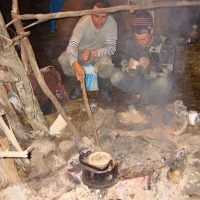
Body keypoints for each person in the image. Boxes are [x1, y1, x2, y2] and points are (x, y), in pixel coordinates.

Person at [111, 10, 176, 105]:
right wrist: (130, 69)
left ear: (152, 31)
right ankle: (142, 95)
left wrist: (149, 66)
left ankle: (143, 96)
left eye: (144, 38)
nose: (140, 42)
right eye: (137, 39)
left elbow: (167, 71)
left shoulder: (166, 44)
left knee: (164, 84)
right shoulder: (131, 42)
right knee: (115, 76)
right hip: (137, 81)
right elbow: (124, 63)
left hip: (154, 82)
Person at [58, 0, 117, 101]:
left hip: (99, 52)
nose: (100, 21)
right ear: (91, 14)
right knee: (64, 60)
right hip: (81, 51)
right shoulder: (83, 22)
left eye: (104, 17)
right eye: (96, 16)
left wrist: (93, 53)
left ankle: (105, 89)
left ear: (108, 15)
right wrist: (75, 63)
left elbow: (111, 48)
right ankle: (77, 87)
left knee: (106, 64)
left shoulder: (111, 23)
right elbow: (72, 46)